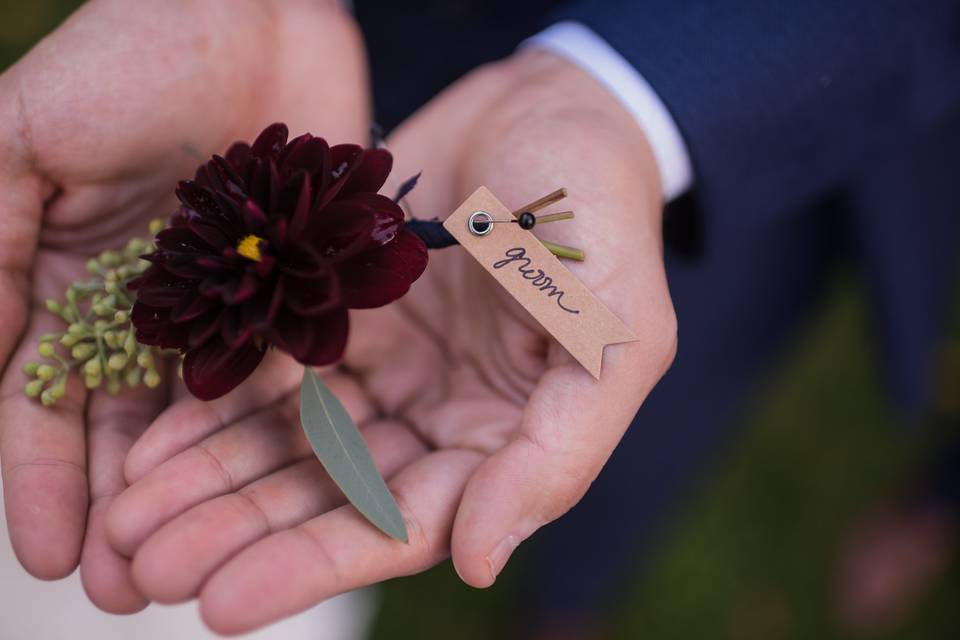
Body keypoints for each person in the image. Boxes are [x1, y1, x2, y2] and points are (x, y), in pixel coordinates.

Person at [0, 0, 956, 637]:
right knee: (534, 430)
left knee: (627, 418)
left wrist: (621, 98)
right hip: (354, 38)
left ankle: (575, 596)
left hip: (765, 105)